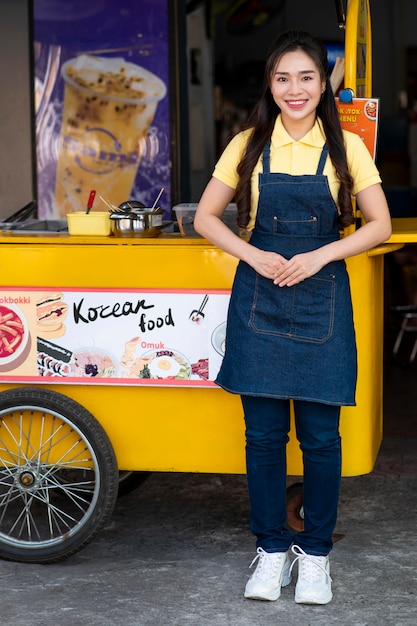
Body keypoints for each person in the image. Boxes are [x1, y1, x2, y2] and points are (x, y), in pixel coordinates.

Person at [194, 29, 392, 605]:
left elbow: (378, 223)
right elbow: (207, 216)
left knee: (321, 438)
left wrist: (320, 255)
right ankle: (271, 549)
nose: (295, 89)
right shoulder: (248, 144)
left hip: (321, 297)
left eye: (307, 77)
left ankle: (316, 557)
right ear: (271, 85)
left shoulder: (346, 146)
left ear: (320, 85)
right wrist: (254, 254)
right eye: (284, 78)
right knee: (262, 437)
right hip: (260, 296)